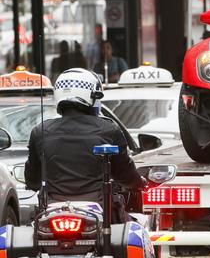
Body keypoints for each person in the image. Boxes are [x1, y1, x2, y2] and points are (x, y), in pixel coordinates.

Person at [25, 68, 146, 222]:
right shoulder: (109, 129)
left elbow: (32, 180)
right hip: (102, 213)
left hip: (53, 212)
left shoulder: (40, 131)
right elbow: (124, 173)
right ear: (91, 95)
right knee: (139, 226)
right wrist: (140, 183)